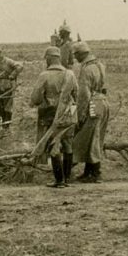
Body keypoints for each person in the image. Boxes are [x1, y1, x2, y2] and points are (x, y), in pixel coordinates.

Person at [30, 46, 78, 188]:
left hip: (52, 113)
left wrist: (39, 102)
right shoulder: (70, 74)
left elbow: (36, 98)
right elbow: (76, 94)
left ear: (49, 59)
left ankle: (59, 180)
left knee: (53, 144)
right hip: (69, 112)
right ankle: (67, 178)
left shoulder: (44, 75)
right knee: (68, 144)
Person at [72, 41, 109, 183]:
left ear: (82, 53)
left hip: (93, 103)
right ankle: (89, 172)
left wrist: (80, 116)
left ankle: (95, 173)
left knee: (90, 137)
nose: (75, 58)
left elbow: (83, 96)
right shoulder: (100, 65)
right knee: (96, 137)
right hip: (103, 102)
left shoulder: (86, 70)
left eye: (76, 55)